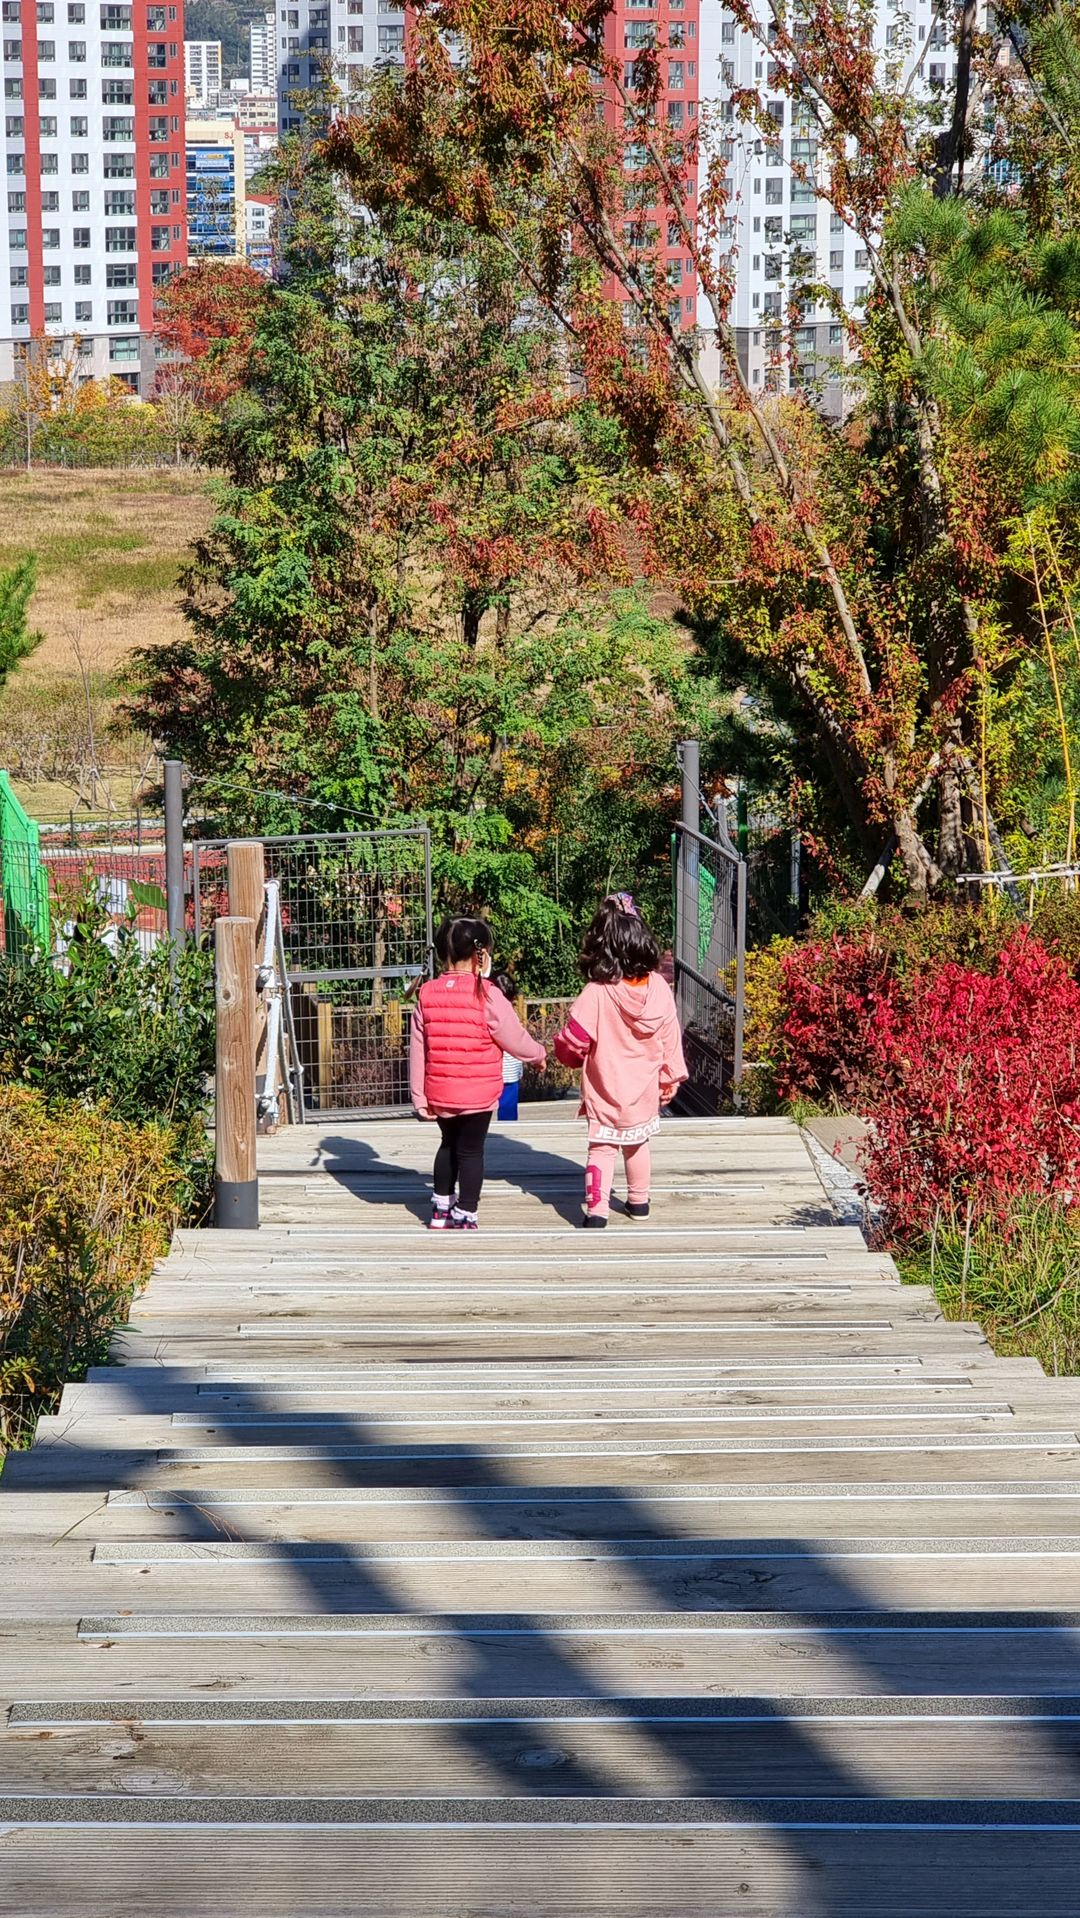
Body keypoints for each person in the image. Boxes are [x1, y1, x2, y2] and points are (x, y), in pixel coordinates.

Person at [554, 892, 687, 1228]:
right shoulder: (658, 987)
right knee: (637, 1143)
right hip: (645, 1088)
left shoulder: (596, 993)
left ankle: (596, 1212)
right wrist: (670, 1076)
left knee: (602, 1147)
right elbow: (670, 1034)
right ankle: (639, 1202)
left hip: (605, 1087)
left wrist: (566, 1056)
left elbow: (574, 1042)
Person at [410, 918, 547, 1230]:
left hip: (440, 1092)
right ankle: (466, 1212)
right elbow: (513, 1036)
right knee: (471, 1151)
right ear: (481, 955)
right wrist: (538, 1055)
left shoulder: (427, 994)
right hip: (478, 1093)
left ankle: (440, 1210)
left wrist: (419, 1097)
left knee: (447, 1144)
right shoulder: (487, 993)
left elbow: (418, 1050)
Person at [494, 971, 524, 1122]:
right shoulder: (511, 1013)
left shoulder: (488, 1010)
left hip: (495, 1069)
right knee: (508, 1110)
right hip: (510, 1070)